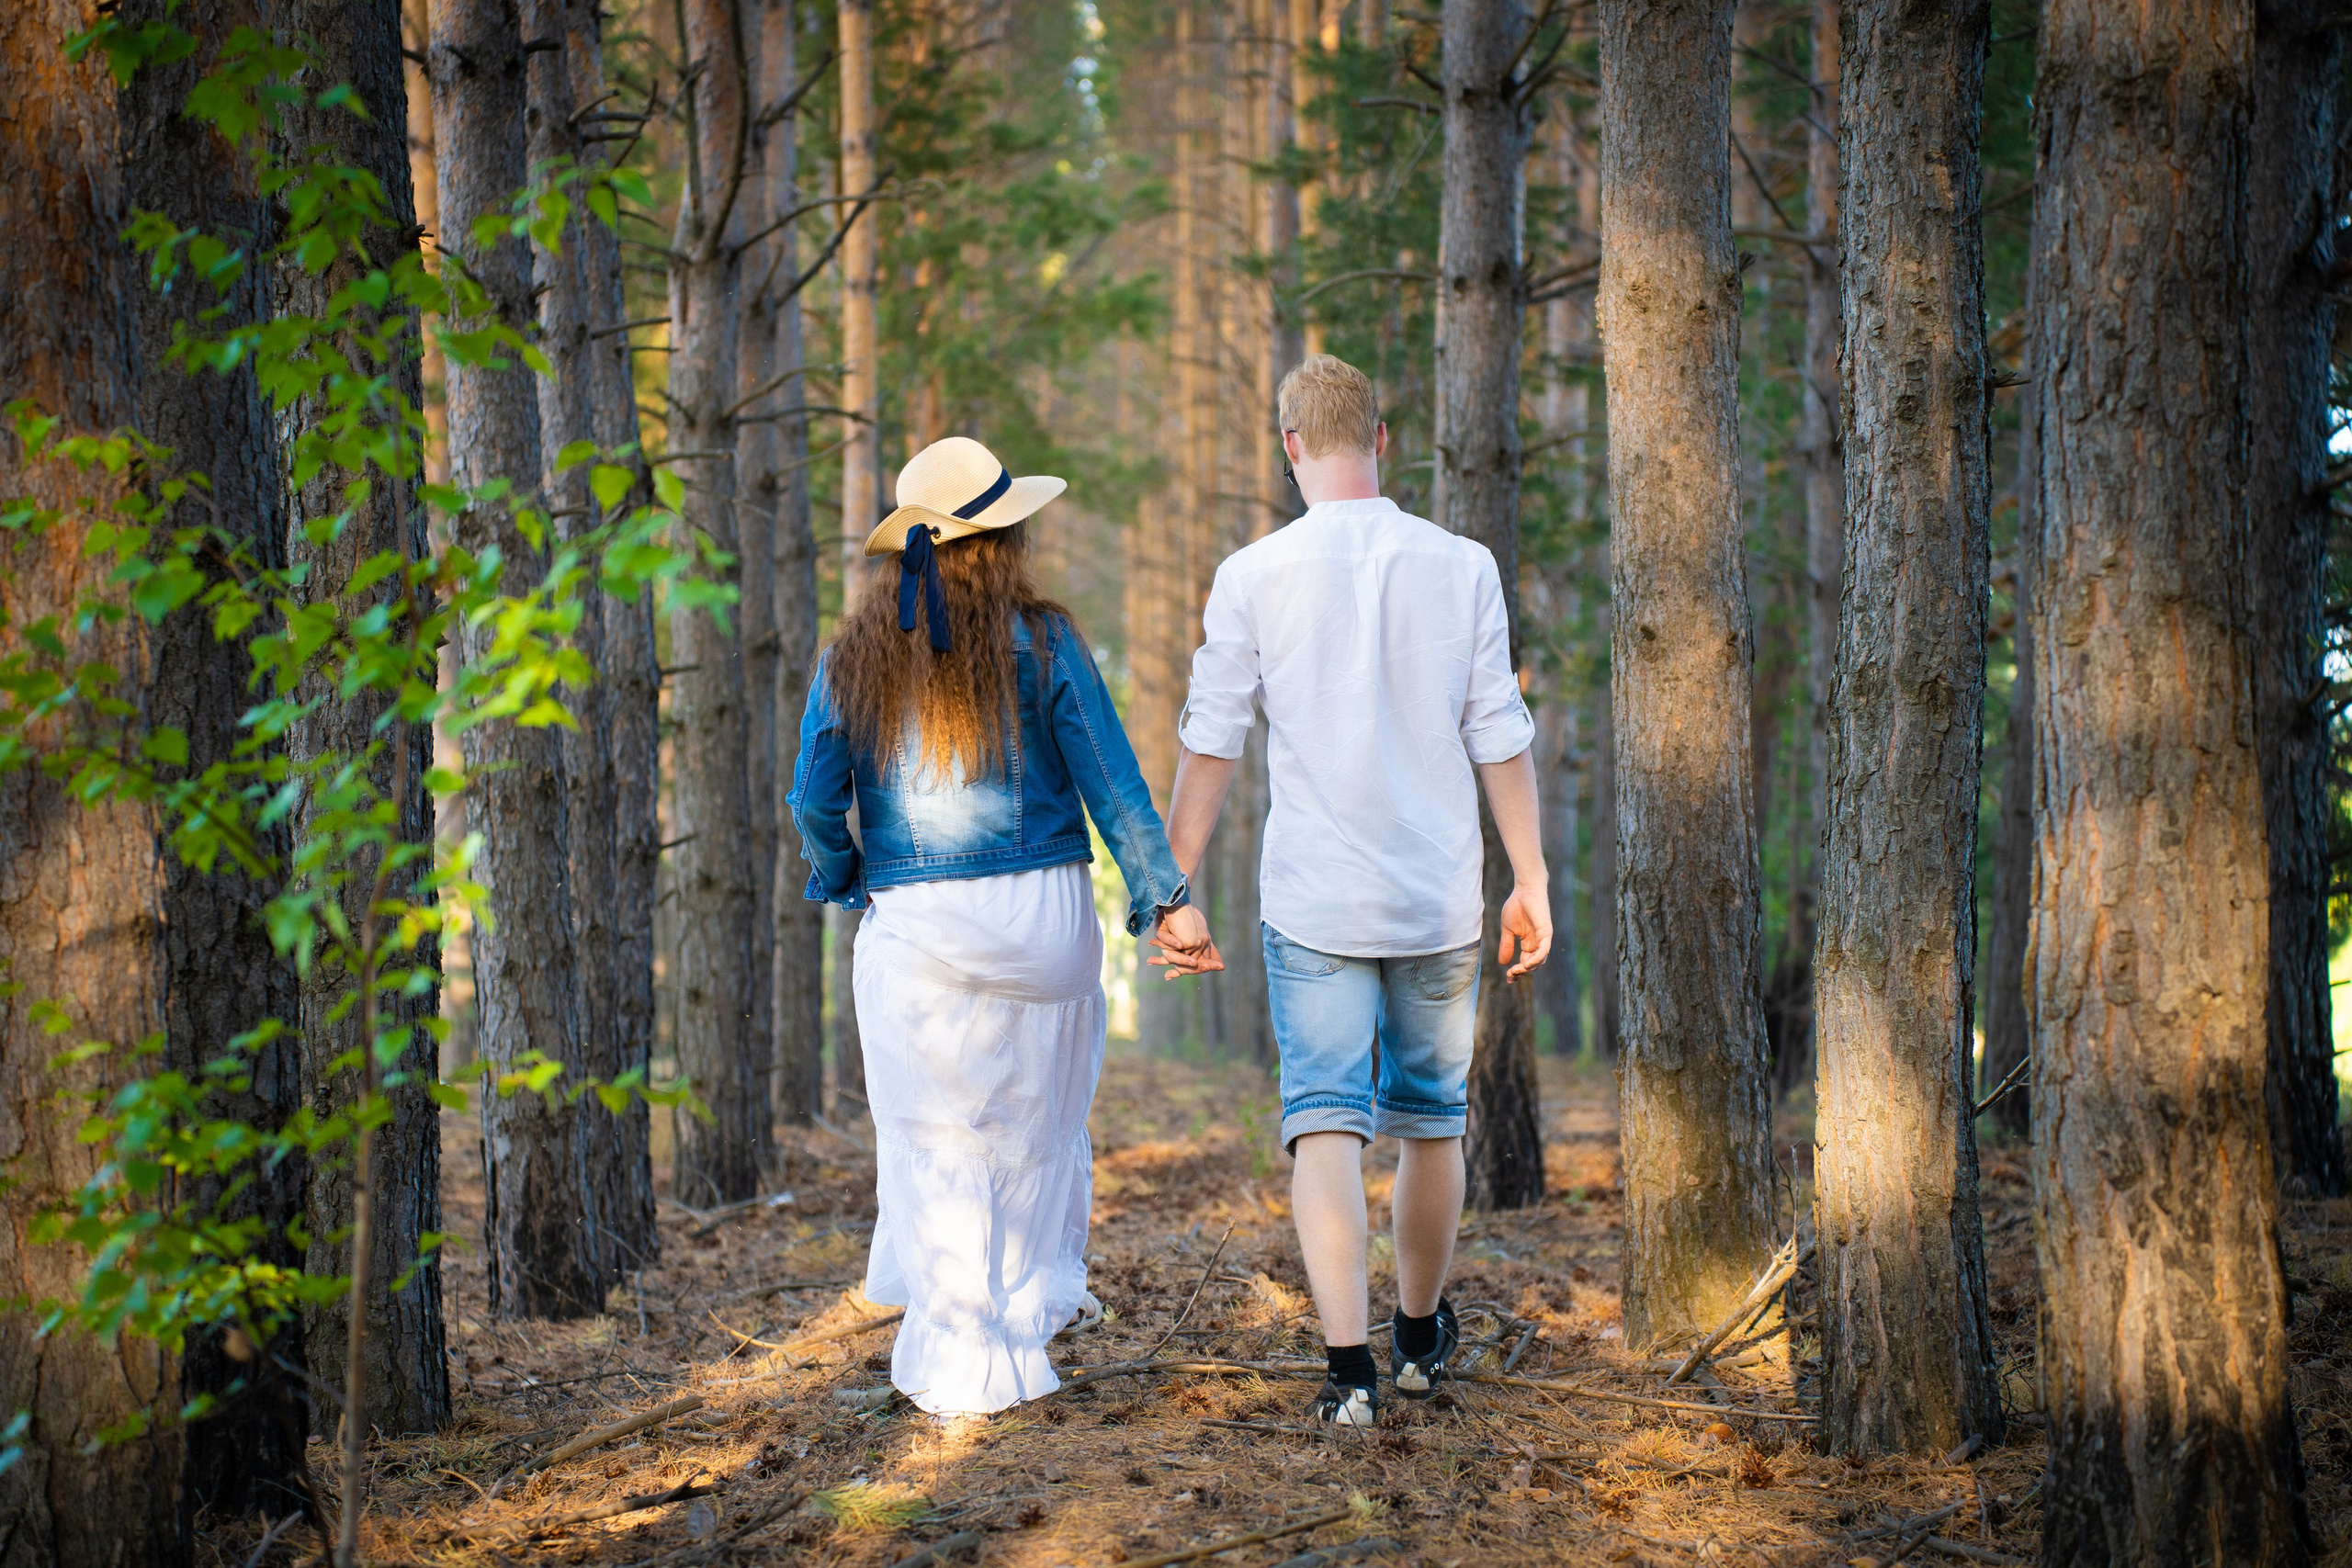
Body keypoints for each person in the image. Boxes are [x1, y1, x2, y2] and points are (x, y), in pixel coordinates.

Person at [789, 435, 1221, 1421]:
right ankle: (1024, 1319)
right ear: (1006, 534)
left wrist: (845, 876)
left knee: (936, 1134)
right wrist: (1167, 901)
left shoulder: (853, 654)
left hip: (918, 925)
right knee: (1032, 1125)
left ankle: (960, 1342)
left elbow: (816, 798)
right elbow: (1112, 782)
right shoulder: (1049, 639)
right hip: (1045, 919)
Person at [1158, 355, 1552, 1427]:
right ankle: (1418, 1340)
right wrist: (1531, 875)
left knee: (1323, 1126)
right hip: (1435, 902)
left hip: (1316, 903)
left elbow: (1212, 741)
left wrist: (1170, 885)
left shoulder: (1252, 573)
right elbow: (1497, 733)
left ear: (1291, 447)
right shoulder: (1460, 563)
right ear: (1380, 440)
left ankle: (1347, 1375)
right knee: (1431, 1125)